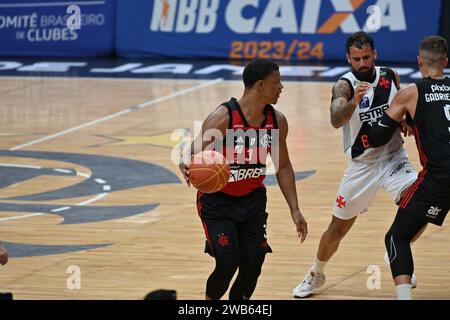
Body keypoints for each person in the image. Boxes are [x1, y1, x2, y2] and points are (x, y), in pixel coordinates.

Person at [293, 31, 420, 298]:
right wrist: (353, 101)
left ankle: (395, 252)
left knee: (420, 206)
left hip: (394, 158)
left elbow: (403, 108)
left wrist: (407, 121)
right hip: (362, 165)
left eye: (366, 57)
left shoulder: (390, 76)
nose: (362, 63)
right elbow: (336, 120)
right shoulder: (344, 85)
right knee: (337, 229)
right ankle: (316, 273)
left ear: (374, 54)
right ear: (348, 59)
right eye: (356, 59)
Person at [179, 58, 308, 300]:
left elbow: (283, 166)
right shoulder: (224, 116)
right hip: (217, 203)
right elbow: (194, 147)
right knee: (228, 263)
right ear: (260, 85)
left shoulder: (276, 121)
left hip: (252, 202)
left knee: (252, 265)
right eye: (277, 82)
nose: (281, 87)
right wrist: (185, 159)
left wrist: (295, 209)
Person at [368, 36, 450, 300]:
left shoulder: (410, 94)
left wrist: (404, 119)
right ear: (446, 62)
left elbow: (377, 137)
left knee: (396, 238)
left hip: (439, 179)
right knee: (408, 199)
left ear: (419, 61)